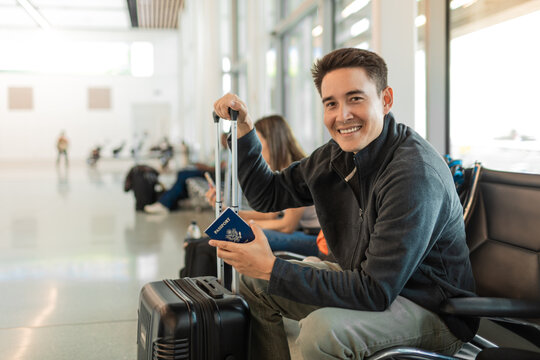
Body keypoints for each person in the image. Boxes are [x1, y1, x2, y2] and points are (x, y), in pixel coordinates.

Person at [211, 48, 478, 360]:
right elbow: (268, 194)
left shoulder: (414, 174)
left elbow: (375, 291)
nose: (342, 115)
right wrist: (243, 129)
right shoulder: (336, 155)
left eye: (356, 98)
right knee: (255, 282)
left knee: (322, 334)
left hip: (433, 308)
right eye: (331, 104)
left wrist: (273, 267)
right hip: (369, 282)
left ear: (386, 99)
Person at [205, 115, 320, 257]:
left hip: (315, 239)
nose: (255, 148)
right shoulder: (279, 171)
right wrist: (227, 213)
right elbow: (271, 215)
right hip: (303, 233)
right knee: (219, 239)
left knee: (228, 239)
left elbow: (287, 225)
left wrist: (247, 224)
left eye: (258, 141)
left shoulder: (297, 170)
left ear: (272, 141)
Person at [144, 133, 228, 214]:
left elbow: (219, 168)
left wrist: (203, 167)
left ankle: (164, 203)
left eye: (223, 139)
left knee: (184, 174)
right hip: (207, 170)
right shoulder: (221, 151)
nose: (221, 141)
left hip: (213, 174)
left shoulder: (229, 153)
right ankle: (167, 202)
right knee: (182, 174)